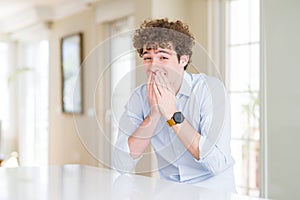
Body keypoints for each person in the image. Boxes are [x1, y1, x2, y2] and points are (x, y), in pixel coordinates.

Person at [112, 18, 236, 193]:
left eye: (163, 57)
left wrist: (172, 113)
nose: (153, 66)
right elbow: (121, 163)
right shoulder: (139, 97)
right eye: (148, 58)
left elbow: (217, 164)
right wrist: (154, 114)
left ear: (183, 60)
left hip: (213, 190)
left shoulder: (210, 90)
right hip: (169, 190)